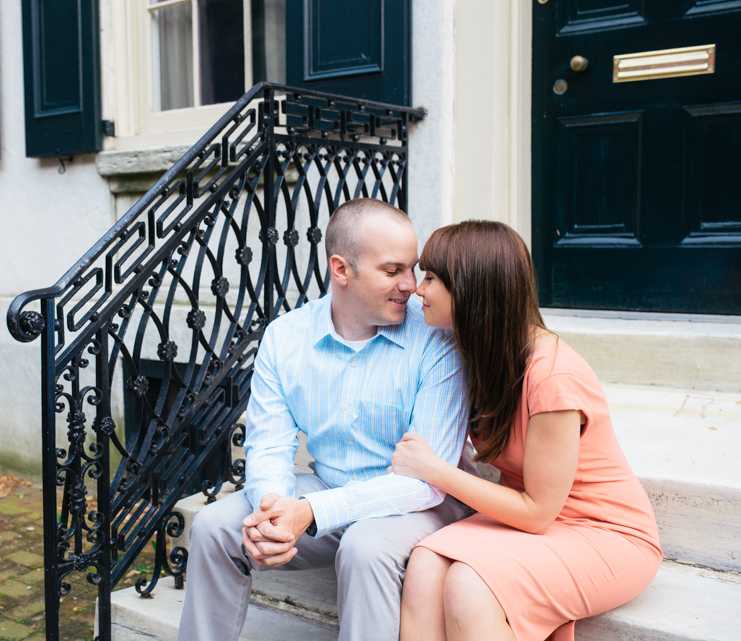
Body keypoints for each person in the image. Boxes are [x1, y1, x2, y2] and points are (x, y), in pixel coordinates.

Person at [177, 199, 472, 641]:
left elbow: (427, 481)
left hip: (422, 504)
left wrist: (311, 511)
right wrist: (274, 510)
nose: (411, 286)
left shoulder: (435, 336)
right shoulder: (285, 337)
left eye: (413, 269)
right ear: (341, 269)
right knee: (215, 526)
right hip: (331, 487)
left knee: (365, 546)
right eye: (393, 271)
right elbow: (270, 444)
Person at [393, 221, 662, 641]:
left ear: (471, 289)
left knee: (469, 584)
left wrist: (435, 470)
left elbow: (537, 512)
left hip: (602, 531)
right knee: (426, 563)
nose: (416, 289)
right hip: (527, 519)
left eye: (430, 277)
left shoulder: (553, 376)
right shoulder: (479, 355)